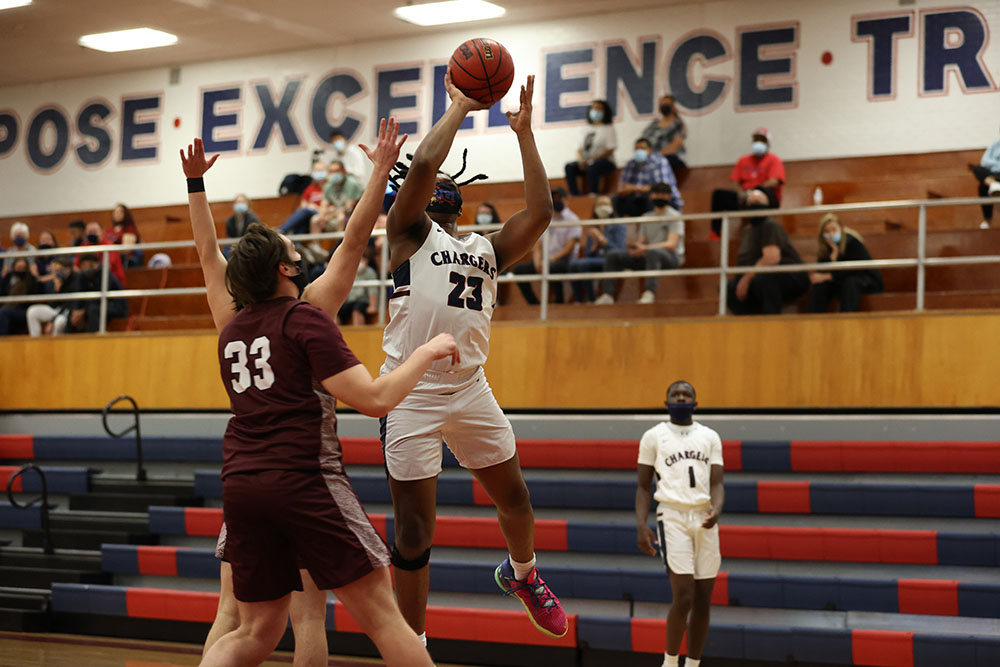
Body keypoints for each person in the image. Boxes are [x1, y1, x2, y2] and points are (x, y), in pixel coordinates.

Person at [181, 127, 441, 667]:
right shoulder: (309, 316)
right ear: (285, 268)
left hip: (242, 484)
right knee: (379, 615)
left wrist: (195, 185)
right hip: (303, 479)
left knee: (250, 630)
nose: (301, 252)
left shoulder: (228, 322)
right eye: (294, 249)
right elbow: (354, 239)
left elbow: (208, 254)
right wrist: (428, 350)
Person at [380, 72, 567, 642]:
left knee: (516, 499)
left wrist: (526, 136)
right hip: (410, 390)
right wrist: (460, 105)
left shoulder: (484, 247)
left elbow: (540, 214)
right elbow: (420, 170)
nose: (431, 187)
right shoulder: (407, 234)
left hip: (469, 387)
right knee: (415, 532)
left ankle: (523, 574)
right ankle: (414, 645)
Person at [636, 380, 724, 667]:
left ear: (695, 402)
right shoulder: (653, 436)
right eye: (676, 394)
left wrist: (717, 510)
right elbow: (643, 486)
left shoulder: (710, 436)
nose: (682, 397)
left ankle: (694, 664)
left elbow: (718, 482)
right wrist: (641, 524)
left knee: (702, 600)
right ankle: (670, 662)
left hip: (704, 517)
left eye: (687, 394)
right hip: (671, 516)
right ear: (667, 402)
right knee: (683, 595)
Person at [595, 182, 684, 305]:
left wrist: (647, 248)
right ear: (651, 196)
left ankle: (649, 293)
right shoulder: (646, 217)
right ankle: (608, 295)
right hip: (648, 255)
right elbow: (642, 241)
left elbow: (671, 244)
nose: (659, 197)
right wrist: (638, 248)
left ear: (669, 197)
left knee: (653, 253)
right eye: (656, 194)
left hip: (671, 258)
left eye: (663, 195)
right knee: (613, 255)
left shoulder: (675, 216)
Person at [727, 190, 808, 315]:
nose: (753, 205)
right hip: (758, 276)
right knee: (728, 287)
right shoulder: (747, 230)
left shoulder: (770, 225)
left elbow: (771, 259)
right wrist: (741, 279)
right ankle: (747, 324)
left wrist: (746, 278)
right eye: (751, 202)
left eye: (758, 202)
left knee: (765, 278)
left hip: (790, 275)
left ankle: (772, 320)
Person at [511, 187, 580, 304]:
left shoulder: (573, 219)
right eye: (553, 198)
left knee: (552, 268)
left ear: (566, 200)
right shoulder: (546, 218)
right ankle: (534, 304)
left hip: (564, 260)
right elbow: (538, 244)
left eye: (559, 198)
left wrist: (551, 260)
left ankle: (559, 302)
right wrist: (537, 261)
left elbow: (570, 246)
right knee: (519, 270)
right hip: (545, 260)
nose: (555, 201)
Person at [710, 127, 785, 236]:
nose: (758, 143)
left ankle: (759, 232)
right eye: (756, 140)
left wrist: (755, 192)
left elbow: (774, 181)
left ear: (768, 143)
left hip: (767, 197)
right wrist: (743, 194)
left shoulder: (774, 159)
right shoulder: (743, 160)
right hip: (745, 196)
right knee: (718, 195)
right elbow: (735, 182)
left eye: (762, 140)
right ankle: (715, 233)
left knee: (758, 193)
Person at [807, 213, 883, 313]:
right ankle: (814, 320)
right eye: (827, 231)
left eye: (833, 229)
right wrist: (833, 258)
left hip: (865, 281)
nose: (831, 234)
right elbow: (821, 272)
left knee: (850, 282)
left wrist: (829, 276)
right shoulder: (825, 250)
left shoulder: (852, 242)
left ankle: (847, 319)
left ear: (840, 228)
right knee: (819, 286)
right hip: (841, 284)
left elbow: (857, 269)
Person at [568, 195, 625, 303]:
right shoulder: (593, 226)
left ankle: (591, 299)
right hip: (595, 259)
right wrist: (594, 246)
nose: (603, 207)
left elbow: (620, 250)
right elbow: (587, 254)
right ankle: (579, 300)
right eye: (600, 204)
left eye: (606, 204)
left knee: (583, 264)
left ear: (612, 207)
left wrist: (602, 239)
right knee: (573, 265)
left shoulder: (619, 225)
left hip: (611, 260)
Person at [614, 137, 683, 219]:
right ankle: (625, 229)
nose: (639, 151)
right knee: (617, 201)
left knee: (652, 199)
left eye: (642, 148)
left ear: (650, 150)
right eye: (637, 149)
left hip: (664, 200)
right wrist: (643, 188)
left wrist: (633, 188)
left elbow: (661, 190)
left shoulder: (659, 162)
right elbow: (621, 189)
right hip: (639, 199)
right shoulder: (631, 164)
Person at [564, 99, 617, 195]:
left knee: (593, 166)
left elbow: (610, 149)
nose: (595, 110)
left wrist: (591, 160)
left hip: (604, 162)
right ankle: (575, 195)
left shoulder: (608, 128)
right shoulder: (585, 128)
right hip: (586, 162)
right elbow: (579, 149)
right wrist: (581, 161)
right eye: (593, 108)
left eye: (599, 108)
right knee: (569, 167)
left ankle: (593, 193)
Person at [67, 252, 128, 332]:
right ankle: (67, 339)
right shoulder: (81, 276)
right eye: (84, 265)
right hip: (92, 305)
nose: (87, 268)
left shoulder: (105, 275)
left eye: (90, 265)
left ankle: (92, 337)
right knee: (72, 312)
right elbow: (79, 294)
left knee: (93, 309)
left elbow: (101, 298)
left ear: (97, 264)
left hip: (115, 306)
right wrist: (76, 310)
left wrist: (83, 310)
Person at [26, 257, 77, 336]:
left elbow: (69, 304)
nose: (57, 273)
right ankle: (35, 340)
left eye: (59, 270)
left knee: (59, 322)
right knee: (33, 311)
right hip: (57, 310)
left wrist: (52, 321)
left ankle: (57, 344)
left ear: (68, 269)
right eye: (55, 271)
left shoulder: (76, 279)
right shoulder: (56, 280)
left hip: (67, 312)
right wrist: (57, 289)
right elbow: (52, 304)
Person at [641, 94, 687, 179]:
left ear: (673, 107)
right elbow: (643, 143)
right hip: (652, 159)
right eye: (662, 104)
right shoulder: (653, 125)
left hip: (671, 159)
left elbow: (675, 146)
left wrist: (656, 155)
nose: (664, 106)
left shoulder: (678, 124)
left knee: (663, 161)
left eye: (667, 104)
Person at [278, 160, 329, 235]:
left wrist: (314, 207)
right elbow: (303, 204)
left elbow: (330, 206)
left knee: (305, 211)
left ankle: (281, 230)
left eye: (321, 170)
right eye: (316, 171)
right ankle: (297, 243)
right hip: (309, 213)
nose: (319, 173)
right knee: (303, 216)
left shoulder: (329, 187)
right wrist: (309, 206)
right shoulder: (310, 188)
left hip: (323, 213)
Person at [0, 257, 43, 335]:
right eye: (19, 268)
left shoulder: (31, 279)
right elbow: (2, 293)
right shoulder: (8, 277)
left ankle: (2, 340)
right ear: (13, 267)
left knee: (4, 312)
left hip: (24, 310)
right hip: (7, 307)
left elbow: (36, 294)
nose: (21, 270)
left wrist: (36, 277)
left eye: (23, 268)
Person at [78, 221, 126, 286]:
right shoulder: (84, 247)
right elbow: (76, 266)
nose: (92, 234)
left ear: (102, 232)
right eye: (90, 232)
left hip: (111, 283)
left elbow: (108, 266)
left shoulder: (109, 246)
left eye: (94, 232)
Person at [971, 130, 1000, 229]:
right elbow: (984, 161)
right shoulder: (995, 145)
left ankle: (995, 186)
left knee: (983, 186)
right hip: (992, 175)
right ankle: (994, 185)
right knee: (976, 169)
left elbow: (989, 162)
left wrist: (995, 163)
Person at [339, 255, 378, 325]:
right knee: (338, 311)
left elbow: (373, 290)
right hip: (351, 301)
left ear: (366, 261)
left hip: (364, 301)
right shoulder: (350, 272)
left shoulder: (370, 272)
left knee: (357, 310)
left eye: (361, 260)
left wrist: (373, 306)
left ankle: (358, 332)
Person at [108, 203, 143, 268]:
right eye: (115, 212)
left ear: (125, 214)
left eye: (120, 212)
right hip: (108, 257)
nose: (117, 214)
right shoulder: (110, 230)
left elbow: (126, 249)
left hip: (123, 260)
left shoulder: (129, 229)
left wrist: (110, 249)